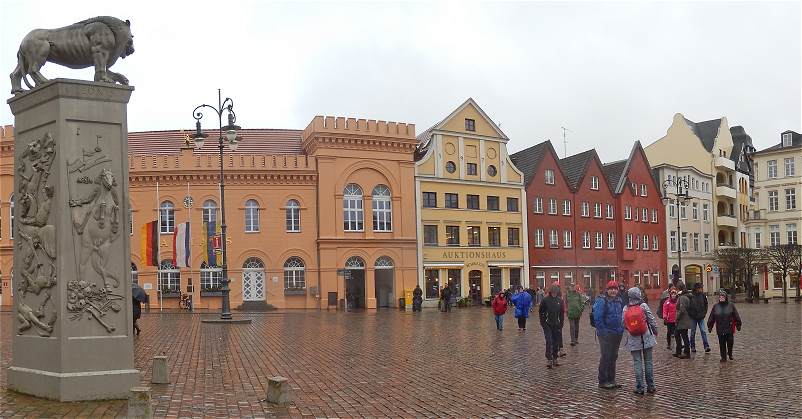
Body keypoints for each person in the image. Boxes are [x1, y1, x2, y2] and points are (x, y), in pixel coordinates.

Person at [623, 287, 658, 395]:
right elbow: (651, 319)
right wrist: (655, 331)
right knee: (648, 362)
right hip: (647, 337)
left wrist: (630, 327)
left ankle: (639, 387)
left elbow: (622, 324)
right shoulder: (643, 306)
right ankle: (651, 386)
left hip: (633, 339)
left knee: (637, 363)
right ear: (638, 295)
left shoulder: (625, 308)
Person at [593, 280, 625, 390]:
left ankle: (611, 379)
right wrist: (603, 332)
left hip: (617, 333)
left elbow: (621, 315)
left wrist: (621, 329)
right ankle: (603, 381)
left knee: (613, 356)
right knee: (606, 356)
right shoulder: (602, 301)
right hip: (606, 334)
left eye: (615, 289)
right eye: (611, 289)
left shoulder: (619, 300)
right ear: (607, 290)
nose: (613, 291)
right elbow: (598, 318)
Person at [707, 289, 743, 362]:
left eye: (723, 297)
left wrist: (738, 324)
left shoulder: (731, 305)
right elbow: (712, 317)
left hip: (729, 327)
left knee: (730, 341)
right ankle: (723, 357)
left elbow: (736, 315)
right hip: (720, 328)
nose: (721, 298)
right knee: (722, 343)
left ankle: (730, 353)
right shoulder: (716, 306)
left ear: (726, 297)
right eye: (720, 297)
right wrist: (710, 326)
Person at [540, 283, 565, 368]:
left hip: (556, 324)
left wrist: (561, 323)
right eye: (553, 292)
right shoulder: (545, 300)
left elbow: (561, 313)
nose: (554, 294)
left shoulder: (560, 301)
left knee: (556, 342)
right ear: (551, 292)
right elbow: (541, 312)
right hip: (547, 324)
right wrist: (543, 323)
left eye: (555, 292)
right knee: (549, 341)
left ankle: (555, 357)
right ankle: (549, 359)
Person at [688, 282, 710, 353]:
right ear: (697, 288)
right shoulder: (691, 295)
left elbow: (706, 304)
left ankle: (706, 346)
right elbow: (688, 306)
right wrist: (691, 314)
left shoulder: (703, 295)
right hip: (693, 317)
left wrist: (704, 313)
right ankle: (692, 346)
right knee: (692, 333)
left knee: (703, 331)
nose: (701, 289)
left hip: (701, 317)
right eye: (700, 288)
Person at [673, 281, 692, 359]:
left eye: (676, 289)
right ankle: (678, 351)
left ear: (679, 288)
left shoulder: (683, 297)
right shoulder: (682, 296)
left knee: (684, 336)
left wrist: (677, 318)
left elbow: (682, 309)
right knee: (677, 334)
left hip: (683, 320)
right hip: (683, 320)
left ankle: (687, 353)